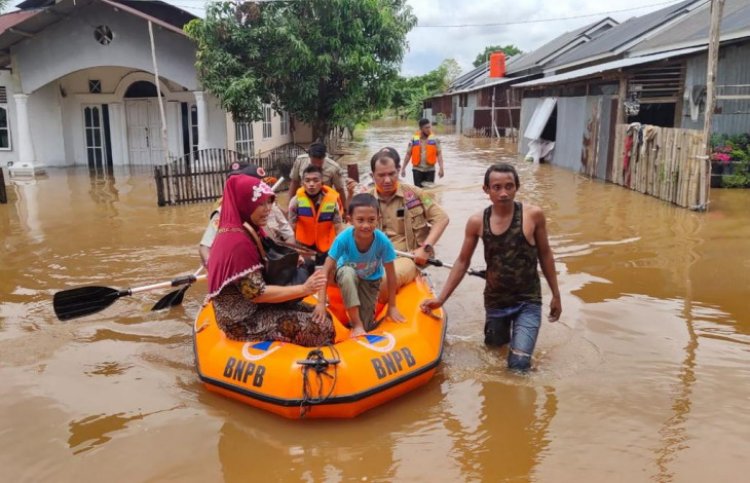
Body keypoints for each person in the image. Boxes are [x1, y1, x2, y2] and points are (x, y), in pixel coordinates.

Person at [420, 163, 562, 372]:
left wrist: (556, 294)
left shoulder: (533, 216)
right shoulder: (477, 222)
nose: (503, 193)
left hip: (528, 300)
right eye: (496, 187)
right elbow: (462, 262)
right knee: (493, 353)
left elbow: (545, 254)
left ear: (517, 187)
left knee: (519, 364)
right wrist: (441, 299)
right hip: (496, 301)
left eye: (509, 186)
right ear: (486, 190)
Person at [205, 174, 334, 346]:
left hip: (256, 307)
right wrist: (304, 288)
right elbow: (257, 294)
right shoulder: (237, 243)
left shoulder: (248, 229)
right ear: (245, 204)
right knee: (322, 328)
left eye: (269, 202)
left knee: (325, 317)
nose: (267, 209)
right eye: (260, 204)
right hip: (241, 320)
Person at [313, 194, 405, 337]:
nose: (366, 225)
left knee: (367, 327)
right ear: (350, 220)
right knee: (347, 273)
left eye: (371, 220)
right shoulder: (343, 239)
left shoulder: (383, 242)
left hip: (370, 280)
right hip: (345, 275)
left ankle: (361, 324)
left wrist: (392, 306)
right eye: (360, 220)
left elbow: (391, 276)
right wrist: (320, 303)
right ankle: (356, 324)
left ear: (378, 220)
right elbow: (325, 270)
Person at [369, 149, 449, 298]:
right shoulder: (365, 199)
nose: (387, 180)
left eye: (391, 174)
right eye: (381, 175)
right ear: (372, 176)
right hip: (373, 257)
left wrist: (426, 248)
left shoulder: (416, 194)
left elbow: (442, 218)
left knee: (384, 279)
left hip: (406, 257)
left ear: (399, 170)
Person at [199, 163, 294, 268]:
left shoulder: (271, 205)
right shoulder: (224, 214)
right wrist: (212, 266)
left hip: (274, 262)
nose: (266, 208)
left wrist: (291, 256)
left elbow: (287, 233)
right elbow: (205, 247)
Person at [288, 165, 345, 265]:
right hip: (304, 247)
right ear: (302, 183)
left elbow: (338, 227)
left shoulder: (332, 202)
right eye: (307, 180)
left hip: (326, 246)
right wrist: (295, 252)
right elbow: (291, 228)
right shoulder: (295, 201)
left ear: (322, 182)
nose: (311, 184)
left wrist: (341, 251)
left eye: (315, 180)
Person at [289, 142, 347, 209]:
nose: (316, 165)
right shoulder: (300, 161)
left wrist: (344, 210)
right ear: (309, 156)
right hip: (303, 203)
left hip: (324, 204)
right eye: (314, 162)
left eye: (319, 163)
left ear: (324, 157)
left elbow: (340, 189)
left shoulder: (334, 167)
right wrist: (290, 204)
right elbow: (294, 182)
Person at [401, 118, 445, 187]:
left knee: (429, 193)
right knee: (418, 192)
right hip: (417, 170)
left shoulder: (435, 140)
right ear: (421, 128)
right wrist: (403, 168)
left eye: (429, 127)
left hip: (430, 170)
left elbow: (439, 154)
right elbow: (408, 154)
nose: (429, 129)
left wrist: (441, 168)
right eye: (426, 128)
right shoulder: (413, 140)